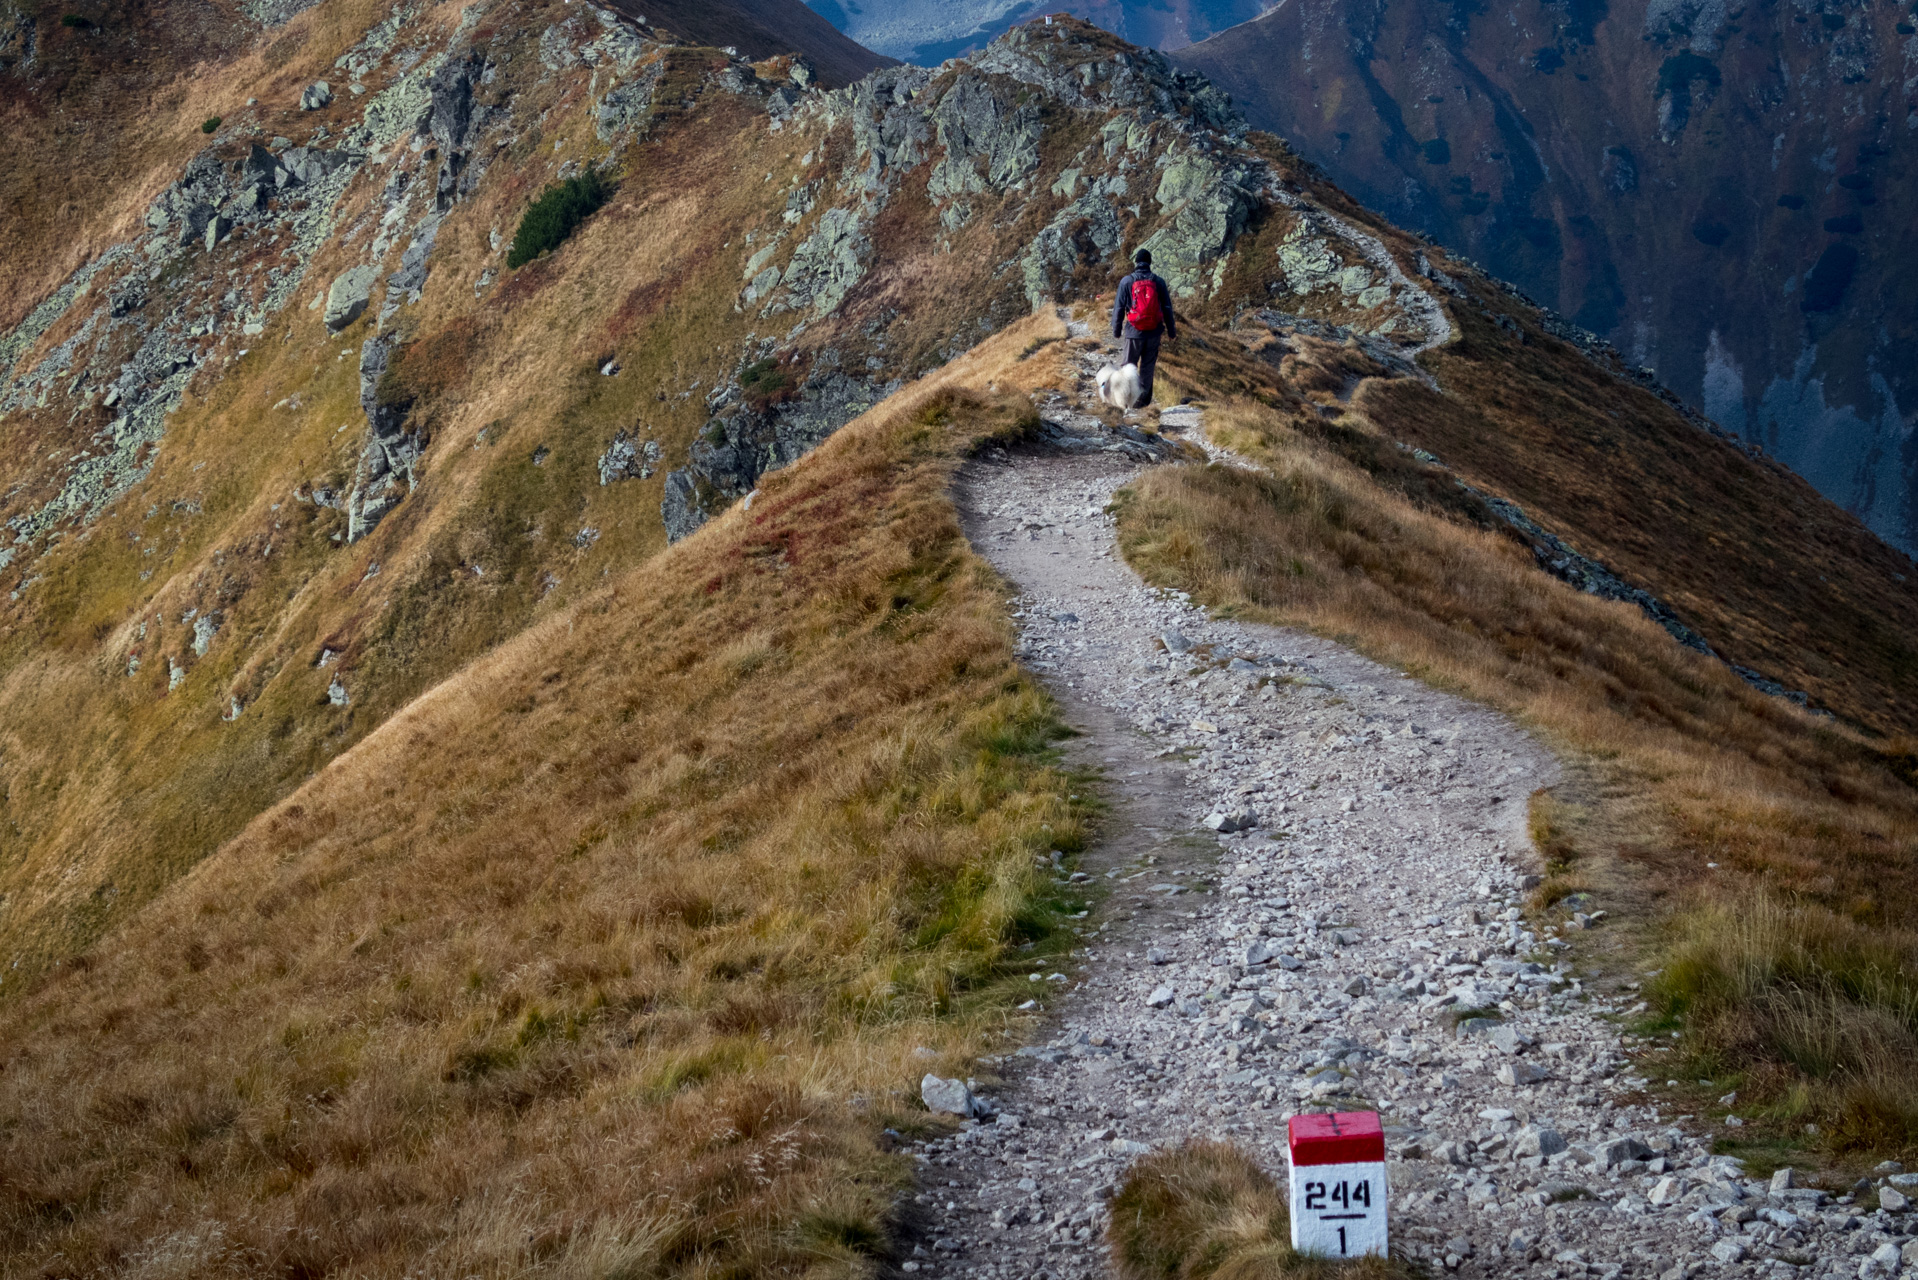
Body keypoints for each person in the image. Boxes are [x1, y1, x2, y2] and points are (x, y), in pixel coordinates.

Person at [1110, 248, 1177, 407]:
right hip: (1154, 332)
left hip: (1134, 332)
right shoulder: (1158, 282)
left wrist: (1117, 330)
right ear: (1150, 262)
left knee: (1128, 366)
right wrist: (1171, 331)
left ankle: (1126, 401)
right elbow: (1167, 308)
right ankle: (1143, 402)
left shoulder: (1127, 281)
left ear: (1136, 262)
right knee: (1147, 367)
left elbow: (1119, 308)